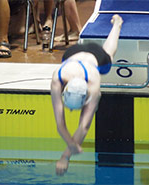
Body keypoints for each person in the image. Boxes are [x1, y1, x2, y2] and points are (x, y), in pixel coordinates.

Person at [50, 14, 123, 176]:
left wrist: (66, 156)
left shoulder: (94, 85)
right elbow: (60, 125)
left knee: (108, 55)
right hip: (72, 54)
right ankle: (116, 23)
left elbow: (84, 126)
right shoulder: (58, 79)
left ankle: (117, 25)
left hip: (94, 57)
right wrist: (71, 146)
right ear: (64, 91)